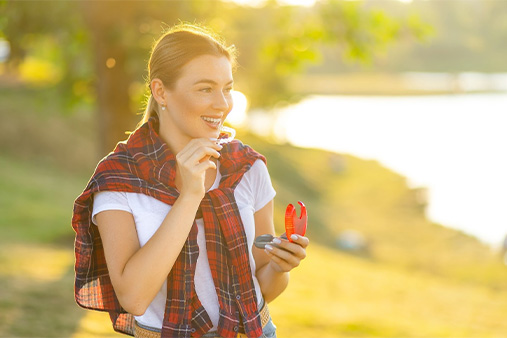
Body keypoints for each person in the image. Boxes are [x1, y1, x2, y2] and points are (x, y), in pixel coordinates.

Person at [72, 23, 309, 338]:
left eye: (227, 87)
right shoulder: (119, 178)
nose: (222, 104)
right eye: (205, 88)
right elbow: (134, 298)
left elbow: (259, 290)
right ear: (160, 91)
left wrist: (280, 267)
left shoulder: (247, 167)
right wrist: (189, 196)